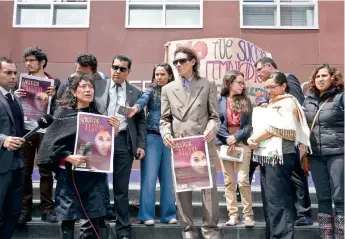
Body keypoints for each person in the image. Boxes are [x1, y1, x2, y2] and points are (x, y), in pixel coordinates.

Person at [36, 73, 119, 239]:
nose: (88, 90)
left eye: (91, 87)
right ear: (73, 92)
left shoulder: (99, 117)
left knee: (93, 220)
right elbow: (49, 146)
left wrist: (114, 131)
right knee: (68, 220)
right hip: (69, 176)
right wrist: (67, 157)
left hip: (94, 177)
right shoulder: (62, 115)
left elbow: (102, 146)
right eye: (83, 86)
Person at [243, 56, 313, 227]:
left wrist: (255, 137)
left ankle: (303, 212)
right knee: (275, 194)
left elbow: (295, 111)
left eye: (259, 69)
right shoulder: (271, 97)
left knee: (293, 180)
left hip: (286, 146)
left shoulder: (287, 85)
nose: (258, 74)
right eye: (267, 88)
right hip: (270, 149)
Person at [160, 46, 220, 239]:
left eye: (182, 61)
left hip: (202, 145)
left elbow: (215, 117)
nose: (178, 64)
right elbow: (164, 119)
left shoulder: (208, 85)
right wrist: (166, 133)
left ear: (193, 61)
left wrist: (211, 129)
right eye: (175, 62)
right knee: (182, 191)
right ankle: (188, 231)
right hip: (180, 147)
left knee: (208, 191)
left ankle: (210, 230)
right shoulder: (167, 88)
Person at [56, 54, 117, 221]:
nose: (79, 77)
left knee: (92, 212)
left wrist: (111, 127)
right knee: (68, 215)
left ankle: (106, 206)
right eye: (77, 73)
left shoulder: (105, 84)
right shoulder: (66, 87)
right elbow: (53, 141)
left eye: (84, 75)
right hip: (70, 164)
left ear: (94, 72)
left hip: (96, 139)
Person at [15, 47, 60, 225]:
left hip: (45, 131)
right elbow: (11, 106)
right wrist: (15, 96)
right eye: (26, 60)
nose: (28, 63)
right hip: (26, 131)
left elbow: (60, 108)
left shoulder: (54, 82)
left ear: (42, 62)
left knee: (46, 172)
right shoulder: (21, 80)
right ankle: (24, 209)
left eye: (32, 60)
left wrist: (54, 97)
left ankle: (47, 209)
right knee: (24, 171)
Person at [127, 63, 176, 226]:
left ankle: (169, 215)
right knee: (149, 178)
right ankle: (146, 215)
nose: (159, 77)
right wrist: (135, 108)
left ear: (169, 75)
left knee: (168, 180)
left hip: (170, 139)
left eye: (163, 74)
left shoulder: (177, 91)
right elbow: (141, 101)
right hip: (152, 138)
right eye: (157, 74)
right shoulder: (150, 90)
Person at [105, 54, 146, 239]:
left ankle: (123, 230)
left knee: (121, 189)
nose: (117, 71)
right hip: (99, 139)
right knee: (96, 184)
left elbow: (141, 122)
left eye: (122, 69)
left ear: (129, 71)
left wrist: (140, 144)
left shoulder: (135, 92)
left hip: (123, 141)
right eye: (115, 67)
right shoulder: (99, 87)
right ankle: (95, 224)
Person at [303, 64, 344, 239]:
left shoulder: (341, 98)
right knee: (323, 197)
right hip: (316, 155)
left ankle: (341, 235)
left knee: (340, 197)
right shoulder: (308, 100)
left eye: (324, 75)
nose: (320, 79)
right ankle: (326, 236)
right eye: (317, 76)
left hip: (338, 153)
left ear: (333, 78)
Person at [216, 70, 254, 227]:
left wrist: (236, 138)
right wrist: (228, 139)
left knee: (243, 180)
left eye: (243, 82)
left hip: (242, 143)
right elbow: (215, 122)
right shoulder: (219, 101)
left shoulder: (246, 100)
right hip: (225, 144)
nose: (242, 85)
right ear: (229, 83)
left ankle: (248, 216)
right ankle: (233, 215)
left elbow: (249, 126)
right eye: (239, 82)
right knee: (229, 181)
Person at [0, 57, 25, 239]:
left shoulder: (15, 98)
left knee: (14, 212)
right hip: (1, 164)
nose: (13, 77)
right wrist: (3, 140)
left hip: (17, 164)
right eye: (8, 73)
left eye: (15, 73)